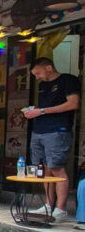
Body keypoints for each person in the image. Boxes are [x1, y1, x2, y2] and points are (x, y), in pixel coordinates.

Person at [24, 57, 81, 220]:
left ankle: (61, 208)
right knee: (43, 168)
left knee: (57, 167)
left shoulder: (68, 80)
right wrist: (35, 111)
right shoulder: (42, 86)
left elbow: (73, 104)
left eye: (38, 73)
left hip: (58, 130)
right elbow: (44, 108)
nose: (37, 77)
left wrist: (41, 111)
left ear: (48, 68)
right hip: (39, 130)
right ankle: (48, 204)